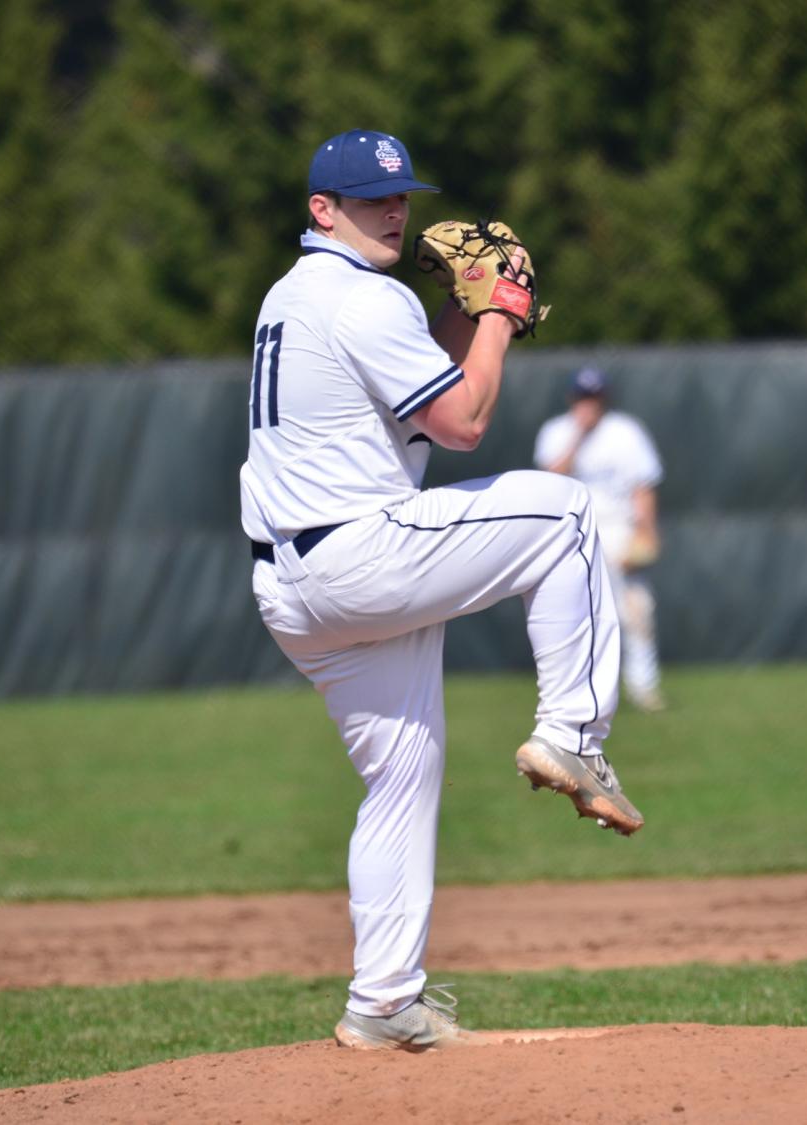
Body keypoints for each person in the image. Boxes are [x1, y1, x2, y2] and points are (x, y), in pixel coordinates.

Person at [239, 130, 644, 1052]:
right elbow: (463, 422)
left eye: (399, 194)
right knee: (569, 516)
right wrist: (499, 311)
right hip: (357, 555)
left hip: (292, 583)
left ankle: (383, 1001)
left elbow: (427, 388)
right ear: (321, 210)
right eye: (368, 197)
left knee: (403, 775)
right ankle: (573, 736)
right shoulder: (364, 299)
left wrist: (469, 317)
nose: (394, 209)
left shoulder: (295, 296)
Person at [534, 367, 667, 712]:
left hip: (618, 528)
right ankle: (579, 694)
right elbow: (548, 480)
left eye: (594, 398)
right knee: (575, 615)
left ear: (604, 399)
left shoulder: (625, 432)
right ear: (571, 399)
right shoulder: (557, 431)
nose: (588, 405)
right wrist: (579, 434)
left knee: (636, 610)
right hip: (572, 531)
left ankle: (643, 686)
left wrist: (646, 530)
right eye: (583, 398)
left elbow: (643, 485)